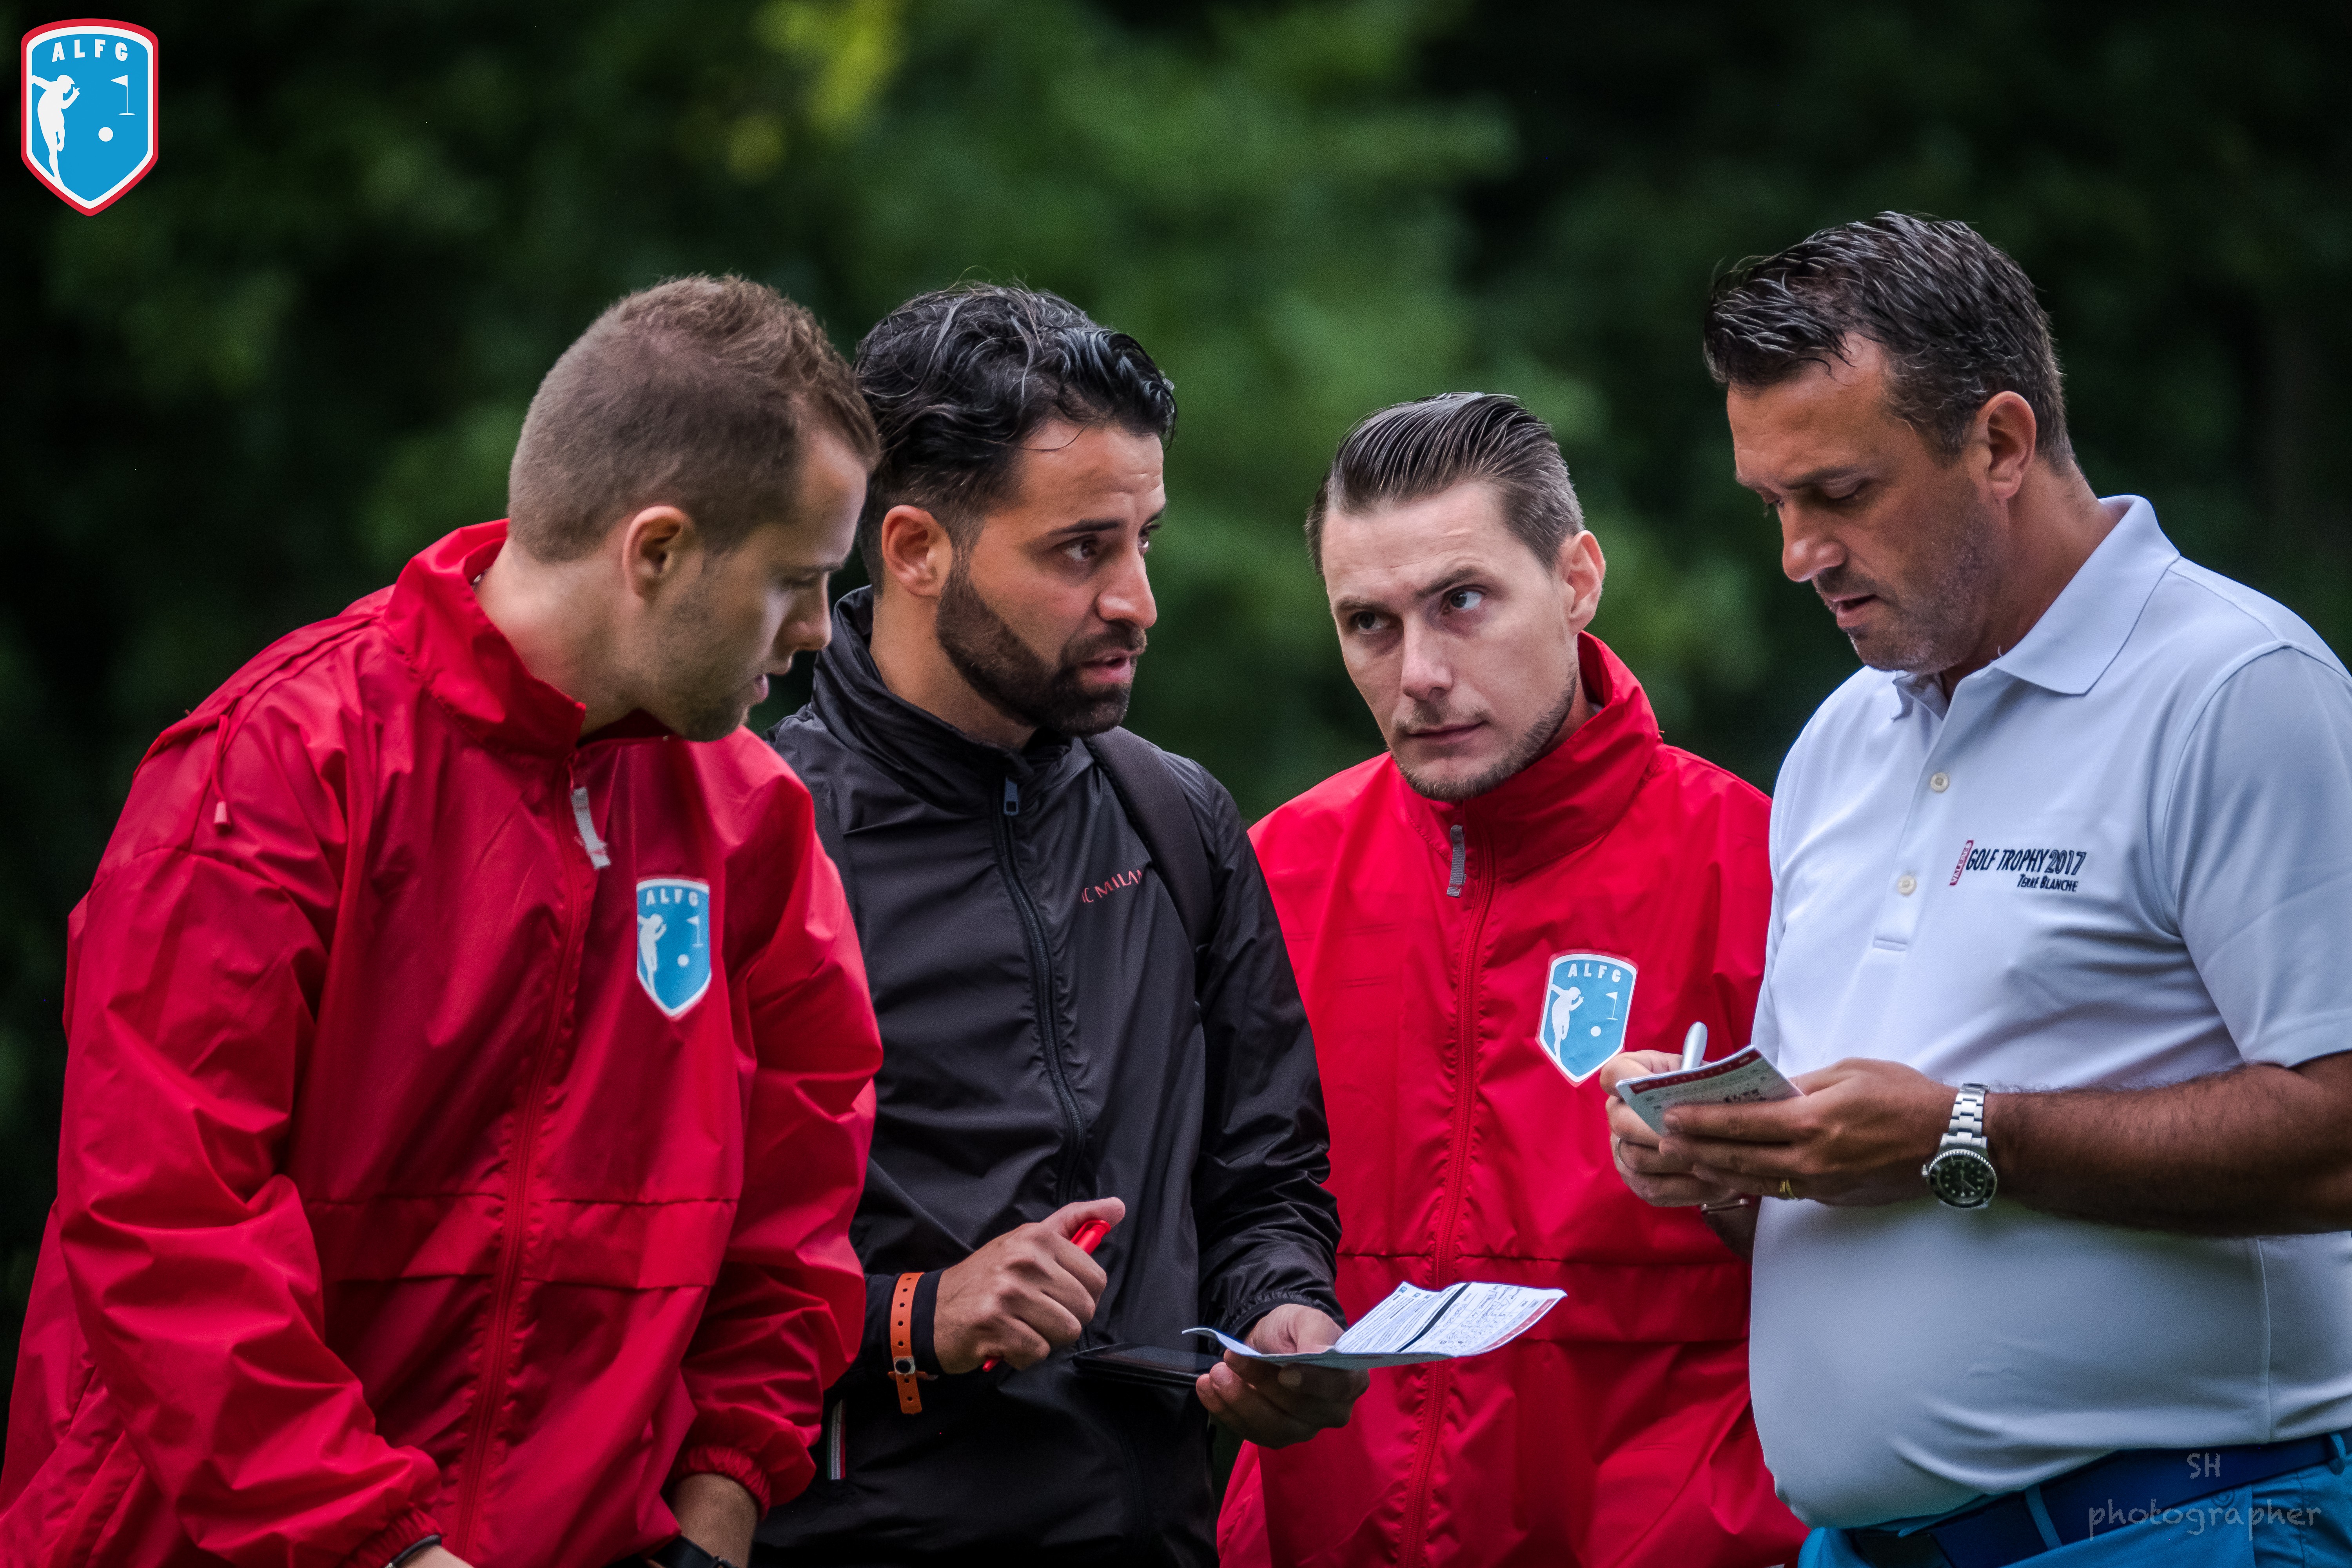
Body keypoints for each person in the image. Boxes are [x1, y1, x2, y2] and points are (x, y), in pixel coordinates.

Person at [0, 276, 886, 1568]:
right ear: (655, 552)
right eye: (795, 581)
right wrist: (388, 1549)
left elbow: (793, 1223)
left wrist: (720, 1503)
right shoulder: (275, 770)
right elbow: (168, 1225)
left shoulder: (753, 824)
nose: (818, 632)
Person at [1605, 212, 2352, 1567]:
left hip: (2179, 1523)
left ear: (2002, 444)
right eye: (1774, 506)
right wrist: (1727, 1161)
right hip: (1864, 1545)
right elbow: (1865, 1173)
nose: (1799, 554)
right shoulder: (1840, 737)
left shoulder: (2240, 688)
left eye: (1840, 493)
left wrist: (1965, 1134)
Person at [756, 283, 1360, 1567]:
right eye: (1082, 550)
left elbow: (1265, 1181)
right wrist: (919, 1317)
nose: (1138, 600)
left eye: (1146, 540)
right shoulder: (758, 841)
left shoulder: (1176, 817)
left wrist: (1285, 1314)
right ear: (915, 549)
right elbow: (663, 1265)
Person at [1221, 391, 1808, 1568]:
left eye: (1462, 601)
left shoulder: (1767, 867)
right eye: (1369, 624)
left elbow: (1873, 1252)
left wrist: (1739, 1189)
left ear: (1577, 580)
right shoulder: (1270, 872)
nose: (1421, 673)